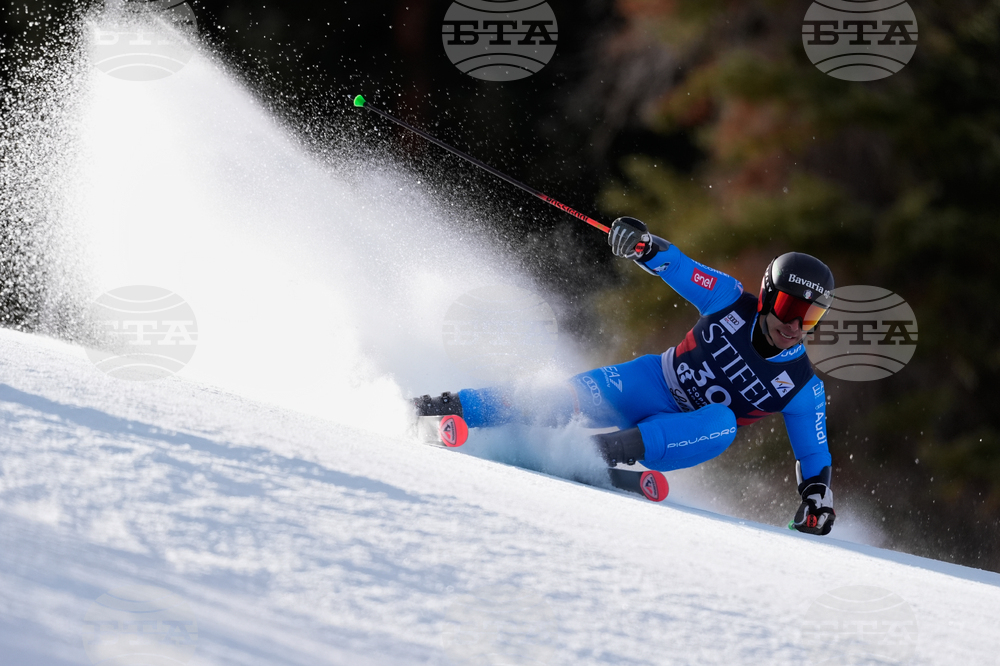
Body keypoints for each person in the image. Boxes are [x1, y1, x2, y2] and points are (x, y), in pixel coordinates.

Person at [414, 217, 836, 535]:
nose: (796, 325)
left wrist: (817, 498)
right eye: (789, 308)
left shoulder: (802, 386)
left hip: (681, 435)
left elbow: (814, 458)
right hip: (650, 382)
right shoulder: (728, 299)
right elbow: (680, 267)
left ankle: (597, 452)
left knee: (723, 423)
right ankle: (445, 407)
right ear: (766, 296)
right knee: (559, 398)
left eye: (810, 317)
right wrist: (644, 245)